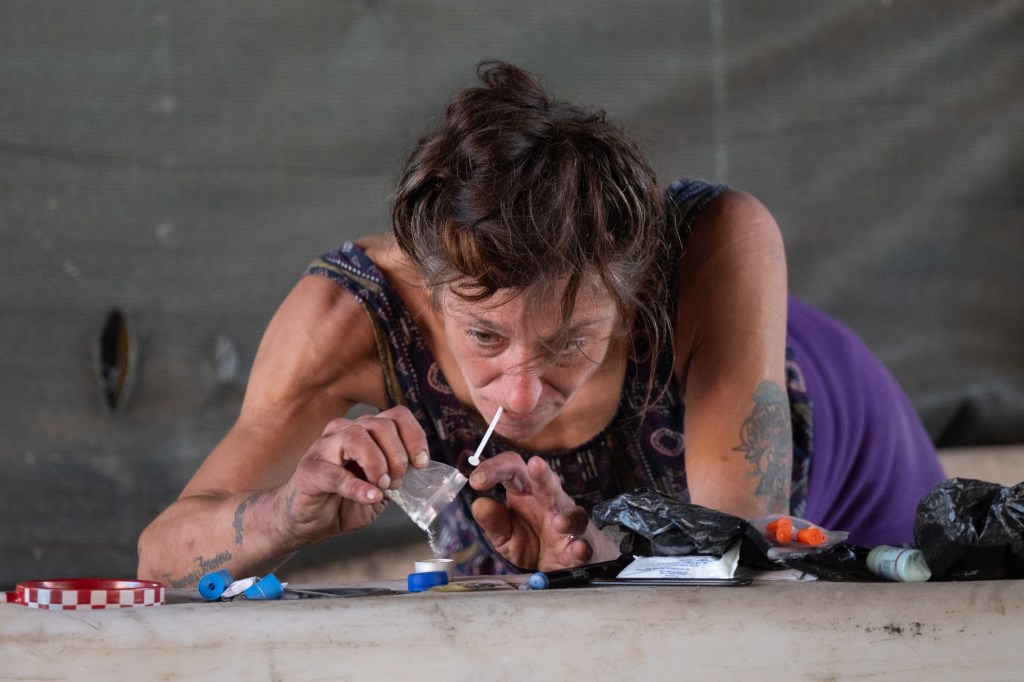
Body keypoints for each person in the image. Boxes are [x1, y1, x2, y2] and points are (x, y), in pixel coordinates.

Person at [137, 61, 945, 586]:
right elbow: (159, 559)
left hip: (846, 451)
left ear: (634, 291)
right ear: (427, 282)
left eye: (570, 342)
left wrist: (595, 553)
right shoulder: (349, 315)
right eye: (485, 336)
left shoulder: (712, 246)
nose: (521, 396)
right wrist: (283, 514)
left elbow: (737, 568)